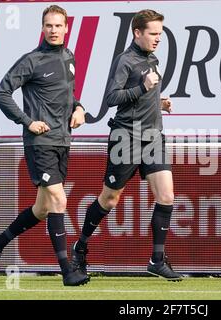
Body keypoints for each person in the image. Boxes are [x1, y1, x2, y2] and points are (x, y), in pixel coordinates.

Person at [70, 9, 182, 281]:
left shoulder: (153, 58)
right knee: (109, 198)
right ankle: (80, 246)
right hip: (126, 137)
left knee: (166, 196)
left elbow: (143, 95)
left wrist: (158, 102)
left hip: (153, 137)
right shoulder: (126, 60)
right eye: (153, 34)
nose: (158, 39)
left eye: (160, 34)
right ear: (137, 33)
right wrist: (143, 88)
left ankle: (156, 260)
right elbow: (112, 98)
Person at [0, 5, 89, 286]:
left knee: (42, 208)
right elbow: (2, 93)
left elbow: (69, 95)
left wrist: (79, 109)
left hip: (62, 141)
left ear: (67, 28)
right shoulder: (31, 60)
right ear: (42, 28)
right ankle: (67, 270)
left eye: (58, 25)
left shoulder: (69, 57)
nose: (53, 30)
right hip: (39, 142)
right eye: (48, 25)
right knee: (59, 200)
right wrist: (27, 121)